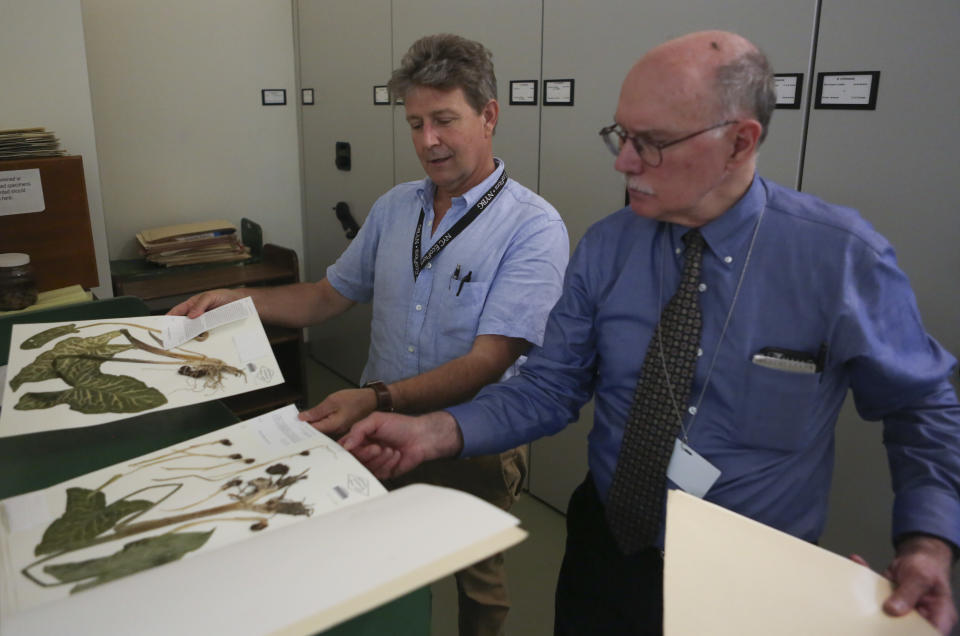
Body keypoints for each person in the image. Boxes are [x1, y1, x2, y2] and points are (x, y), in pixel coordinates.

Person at [338, 30, 960, 636]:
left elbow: (922, 405)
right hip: (609, 543)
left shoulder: (839, 257)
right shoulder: (608, 247)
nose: (624, 161)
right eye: (622, 135)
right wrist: (430, 431)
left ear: (740, 142)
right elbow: (548, 388)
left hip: (752, 569)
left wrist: (928, 542)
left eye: (652, 142)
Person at [170, 34, 569, 636]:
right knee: (370, 567)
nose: (427, 141)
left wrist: (380, 398)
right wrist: (242, 300)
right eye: (414, 123)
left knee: (478, 584)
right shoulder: (394, 208)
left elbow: (490, 361)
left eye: (444, 120)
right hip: (374, 430)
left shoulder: (533, 228)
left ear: (488, 115)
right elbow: (326, 296)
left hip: (468, 439)